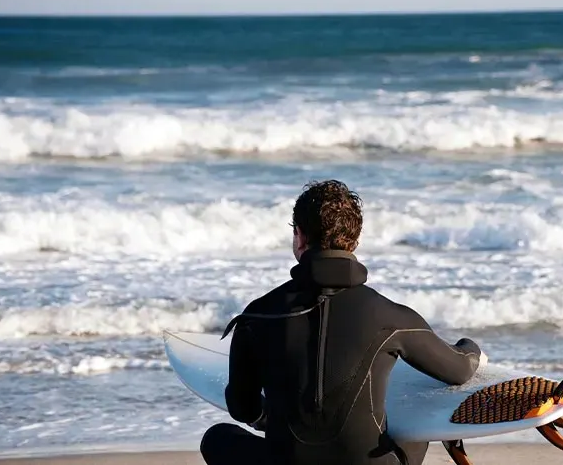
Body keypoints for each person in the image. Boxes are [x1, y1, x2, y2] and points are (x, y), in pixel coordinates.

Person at [200, 179, 484, 465]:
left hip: (283, 462)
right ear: (355, 242)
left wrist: (273, 419)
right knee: (415, 426)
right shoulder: (392, 317)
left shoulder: (257, 315)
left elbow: (242, 408)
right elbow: (460, 369)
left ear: (299, 236)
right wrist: (470, 347)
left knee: (216, 438)